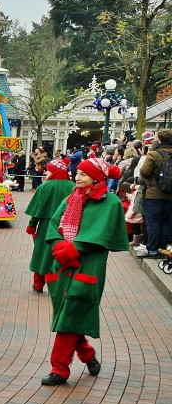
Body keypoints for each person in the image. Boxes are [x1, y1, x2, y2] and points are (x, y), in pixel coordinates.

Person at [40, 156, 128, 386]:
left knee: (71, 312)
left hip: (87, 265)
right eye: (77, 173)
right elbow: (54, 224)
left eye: (83, 174)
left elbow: (101, 234)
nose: (77, 177)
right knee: (68, 314)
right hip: (62, 265)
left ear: (96, 178)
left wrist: (74, 248)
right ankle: (88, 355)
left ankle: (59, 369)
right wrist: (59, 245)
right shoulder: (72, 198)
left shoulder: (110, 203)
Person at [24, 158, 75, 293]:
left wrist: (32, 225)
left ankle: (38, 283)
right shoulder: (73, 187)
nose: (46, 173)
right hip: (66, 227)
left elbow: (38, 209)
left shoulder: (45, 186)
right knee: (60, 254)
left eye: (48, 170)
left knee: (41, 254)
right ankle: (59, 285)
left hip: (46, 226)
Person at [135, 128, 172, 259]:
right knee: (166, 222)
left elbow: (144, 172)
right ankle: (162, 248)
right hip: (170, 195)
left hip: (153, 194)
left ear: (160, 139)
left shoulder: (154, 154)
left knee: (153, 222)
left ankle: (152, 249)